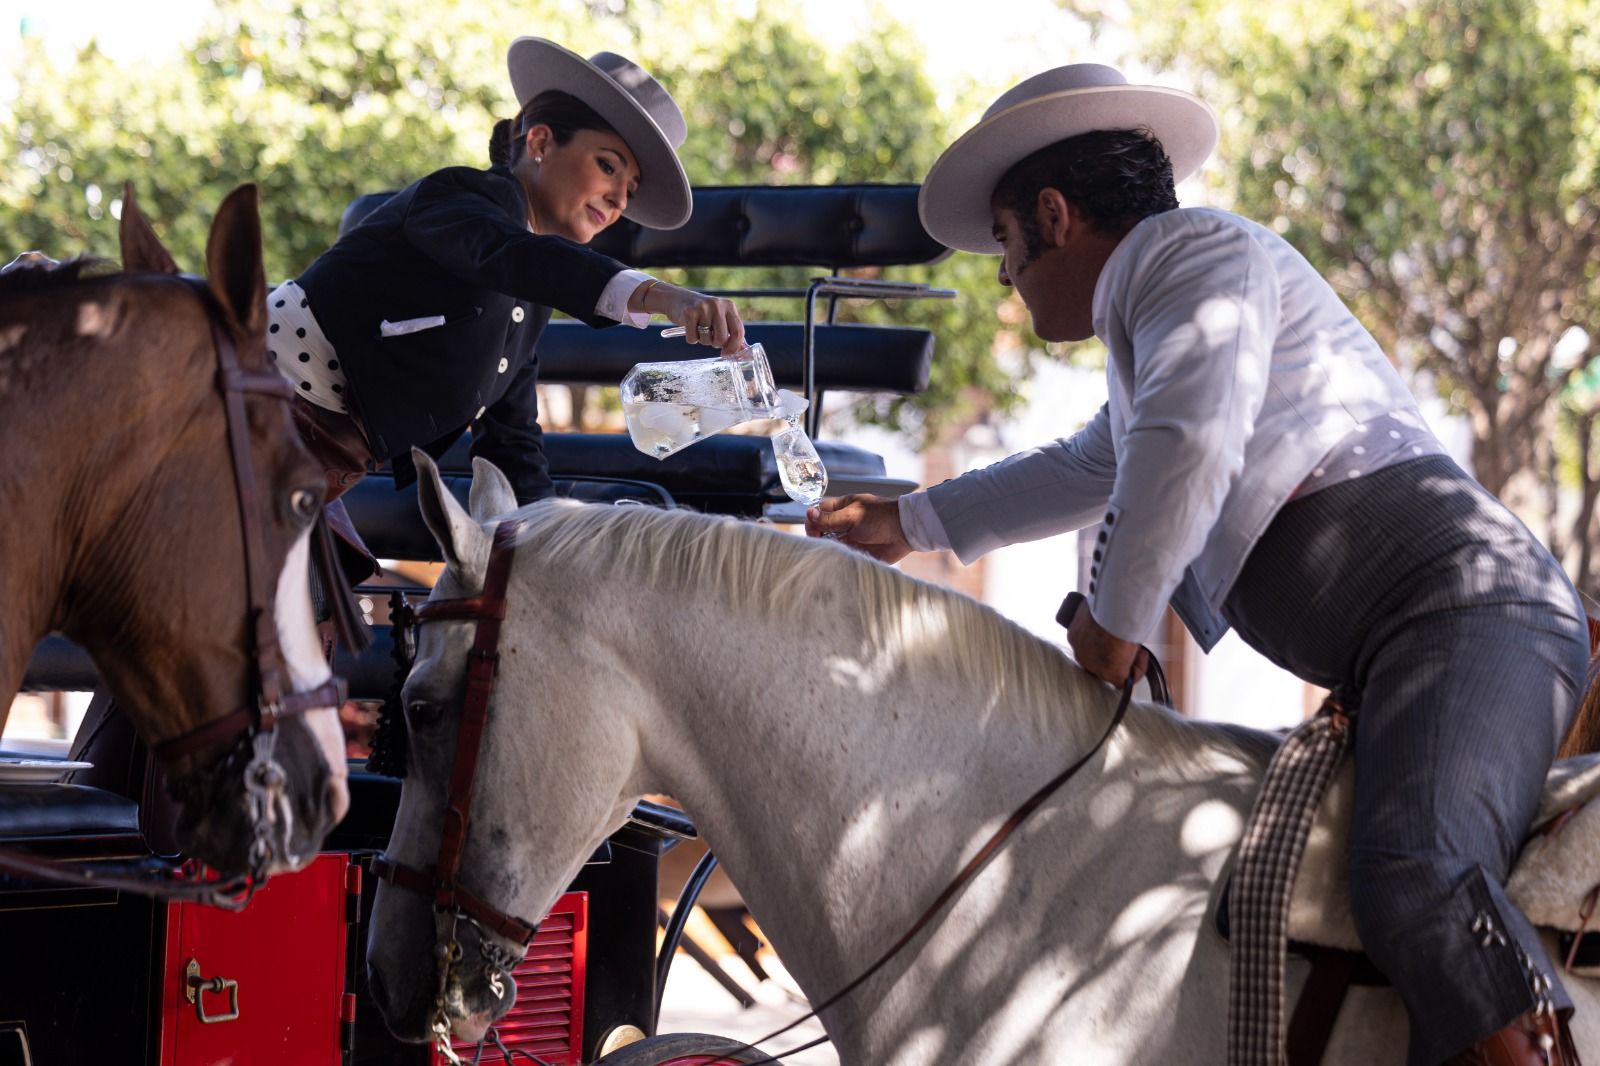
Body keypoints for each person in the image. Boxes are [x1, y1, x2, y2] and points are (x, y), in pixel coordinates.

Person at [805, 63, 1586, 1065]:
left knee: (1418, 875)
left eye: (1004, 241)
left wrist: (1111, 626)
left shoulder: (1190, 251)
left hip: (1470, 613)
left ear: (1052, 212)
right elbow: (1103, 458)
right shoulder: (1170, 289)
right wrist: (911, 517)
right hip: (1422, 635)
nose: (1004, 273)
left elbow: (1183, 443)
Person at [273, 37, 745, 543]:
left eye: (629, 190)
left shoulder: (529, 305)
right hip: (254, 402)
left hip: (316, 466)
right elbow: (512, 255)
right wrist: (661, 296)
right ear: (540, 142)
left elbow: (512, 445)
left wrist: (564, 541)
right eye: (608, 166)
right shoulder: (465, 198)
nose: (616, 198)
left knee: (326, 614)